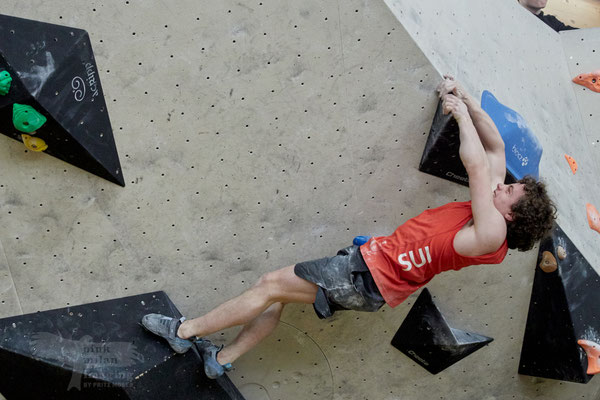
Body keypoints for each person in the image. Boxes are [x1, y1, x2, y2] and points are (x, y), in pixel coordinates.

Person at [141, 76, 557, 379]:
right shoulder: (493, 213)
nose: (504, 187)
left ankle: (183, 332)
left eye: (512, 192)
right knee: (276, 295)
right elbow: (497, 147)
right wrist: (465, 96)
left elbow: (477, 163)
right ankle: (221, 361)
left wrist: (462, 116)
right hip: (371, 271)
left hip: (367, 278)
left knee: (268, 285)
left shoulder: (491, 234)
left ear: (511, 217)